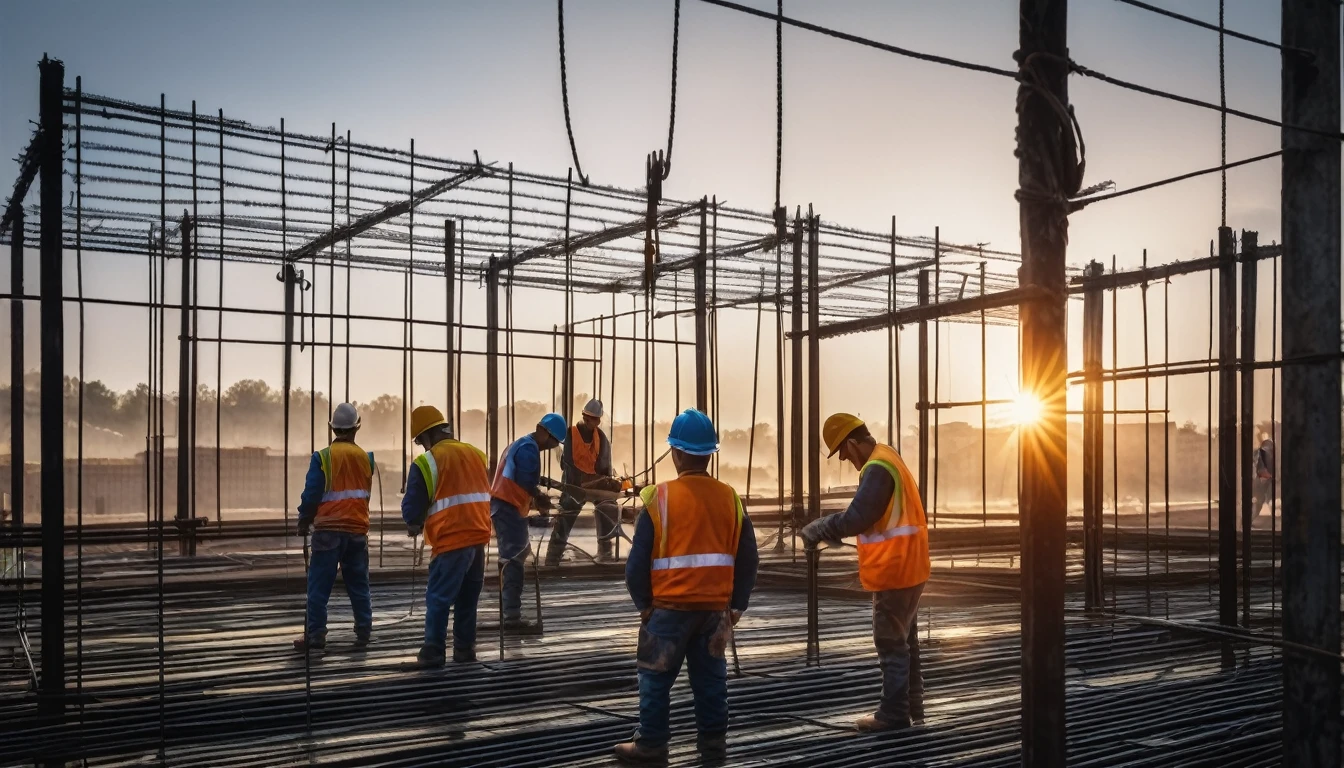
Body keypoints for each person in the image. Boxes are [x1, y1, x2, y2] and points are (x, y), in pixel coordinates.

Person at [613, 409, 760, 763]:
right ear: (709, 454)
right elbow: (749, 558)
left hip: (668, 610)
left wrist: (644, 605)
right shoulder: (730, 499)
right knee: (711, 681)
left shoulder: (657, 499)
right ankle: (713, 746)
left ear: (676, 454)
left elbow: (635, 566)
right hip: (713, 612)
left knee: (655, 679)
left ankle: (651, 745)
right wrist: (737, 605)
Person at [801, 413, 930, 731]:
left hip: (894, 570)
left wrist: (820, 527)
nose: (844, 458)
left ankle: (893, 715)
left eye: (842, 452)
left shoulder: (877, 467)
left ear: (852, 443)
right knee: (905, 639)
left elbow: (858, 516)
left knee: (890, 641)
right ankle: (913, 706)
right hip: (910, 565)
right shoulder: (890, 456)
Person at [402, 405, 492, 667]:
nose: (421, 447)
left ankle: (434, 650)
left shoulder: (427, 462)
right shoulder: (477, 454)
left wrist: (414, 523)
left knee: (439, 596)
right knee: (467, 597)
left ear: (426, 436)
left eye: (420, 441)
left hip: (451, 538)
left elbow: (413, 507)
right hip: (478, 537)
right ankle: (464, 649)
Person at [294, 402, 375, 652]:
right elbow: (364, 495)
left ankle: (316, 634)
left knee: (319, 585)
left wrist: (304, 520)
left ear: (332, 428)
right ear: (356, 428)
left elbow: (312, 494)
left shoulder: (323, 458)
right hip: (357, 530)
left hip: (328, 530)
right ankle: (364, 630)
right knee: (358, 584)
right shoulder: (366, 459)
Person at [491, 413, 566, 627]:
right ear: (542, 431)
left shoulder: (523, 444)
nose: (552, 446)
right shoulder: (528, 448)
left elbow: (524, 476)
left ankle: (509, 611)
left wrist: (542, 485)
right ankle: (512, 616)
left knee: (515, 556)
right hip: (508, 507)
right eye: (552, 441)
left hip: (507, 507)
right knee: (514, 559)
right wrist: (541, 498)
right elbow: (525, 481)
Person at [545, 398, 621, 565]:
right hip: (574, 484)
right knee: (567, 514)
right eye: (586, 417)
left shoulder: (601, 438)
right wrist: (581, 482)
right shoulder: (570, 435)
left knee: (606, 506)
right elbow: (567, 464)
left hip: (595, 485)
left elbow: (605, 467)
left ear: (598, 421)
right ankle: (553, 557)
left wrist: (608, 483)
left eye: (592, 419)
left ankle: (605, 553)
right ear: (583, 416)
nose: (588, 421)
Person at [1251, 435, 1276, 520]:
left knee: (1260, 500)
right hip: (1262, 478)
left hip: (1263, 478)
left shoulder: (1257, 453)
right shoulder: (1258, 454)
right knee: (1259, 501)